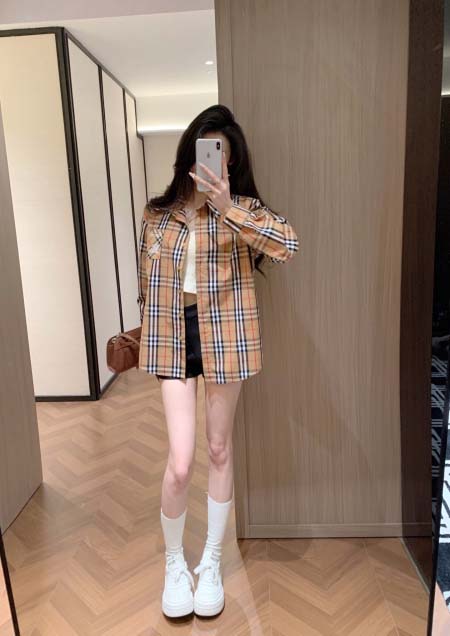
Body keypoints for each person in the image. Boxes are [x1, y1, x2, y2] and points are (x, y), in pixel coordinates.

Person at [137, 105, 299, 619]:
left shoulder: (242, 209)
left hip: (226, 335)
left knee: (219, 448)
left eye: (220, 155)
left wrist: (229, 208)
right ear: (189, 153)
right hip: (172, 335)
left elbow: (288, 245)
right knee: (181, 461)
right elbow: (146, 284)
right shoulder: (157, 214)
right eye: (204, 150)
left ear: (230, 163)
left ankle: (210, 562)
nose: (210, 162)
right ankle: (174, 564)